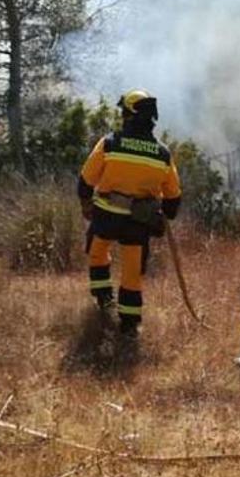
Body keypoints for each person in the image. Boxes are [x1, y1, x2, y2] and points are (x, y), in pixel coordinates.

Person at [77, 89, 182, 336]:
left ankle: (104, 300)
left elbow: (85, 182)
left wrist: (85, 204)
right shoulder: (162, 153)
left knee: (97, 253)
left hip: (106, 215)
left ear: (129, 115)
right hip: (138, 221)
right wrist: (163, 216)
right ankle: (129, 325)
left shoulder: (110, 143)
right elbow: (174, 198)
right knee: (132, 272)